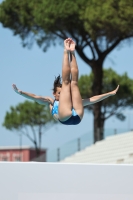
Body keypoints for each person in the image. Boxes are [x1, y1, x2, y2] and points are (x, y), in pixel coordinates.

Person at [12, 38, 119, 125]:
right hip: (68, 117)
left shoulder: (71, 101)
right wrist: (20, 92)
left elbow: (93, 99)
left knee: (73, 82)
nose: (65, 94)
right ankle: (66, 51)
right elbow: (34, 97)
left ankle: (72, 52)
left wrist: (110, 93)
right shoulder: (50, 101)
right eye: (60, 92)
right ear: (54, 94)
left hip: (76, 116)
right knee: (70, 82)